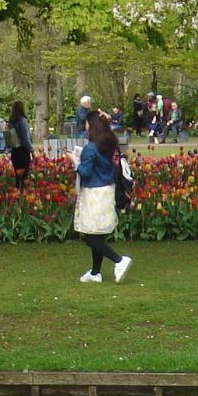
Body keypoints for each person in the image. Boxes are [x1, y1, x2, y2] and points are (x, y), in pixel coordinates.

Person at [71, 112, 129, 284]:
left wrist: (75, 161)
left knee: (89, 235)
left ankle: (119, 260)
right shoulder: (108, 143)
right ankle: (95, 272)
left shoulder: (91, 147)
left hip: (93, 193)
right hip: (107, 190)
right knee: (98, 234)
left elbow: (85, 172)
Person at [8, 100, 33, 187]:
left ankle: (17, 191)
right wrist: (31, 149)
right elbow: (26, 137)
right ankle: (23, 192)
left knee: (17, 175)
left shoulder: (11, 122)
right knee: (24, 175)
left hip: (14, 150)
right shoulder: (22, 120)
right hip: (23, 149)